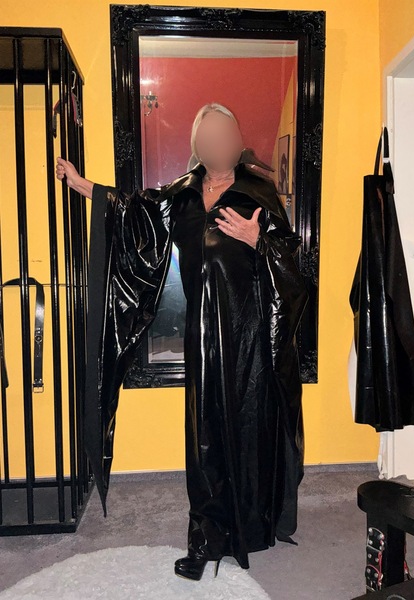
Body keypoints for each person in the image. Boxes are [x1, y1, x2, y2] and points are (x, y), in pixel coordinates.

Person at [56, 103, 308, 581]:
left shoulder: (259, 194)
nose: (217, 144)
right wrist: (82, 184)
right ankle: (206, 537)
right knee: (205, 438)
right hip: (203, 337)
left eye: (225, 134)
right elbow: (133, 211)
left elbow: (293, 271)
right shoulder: (182, 195)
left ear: (238, 141)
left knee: (250, 430)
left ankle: (252, 527)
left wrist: (258, 242)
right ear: (197, 145)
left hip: (251, 338)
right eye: (207, 137)